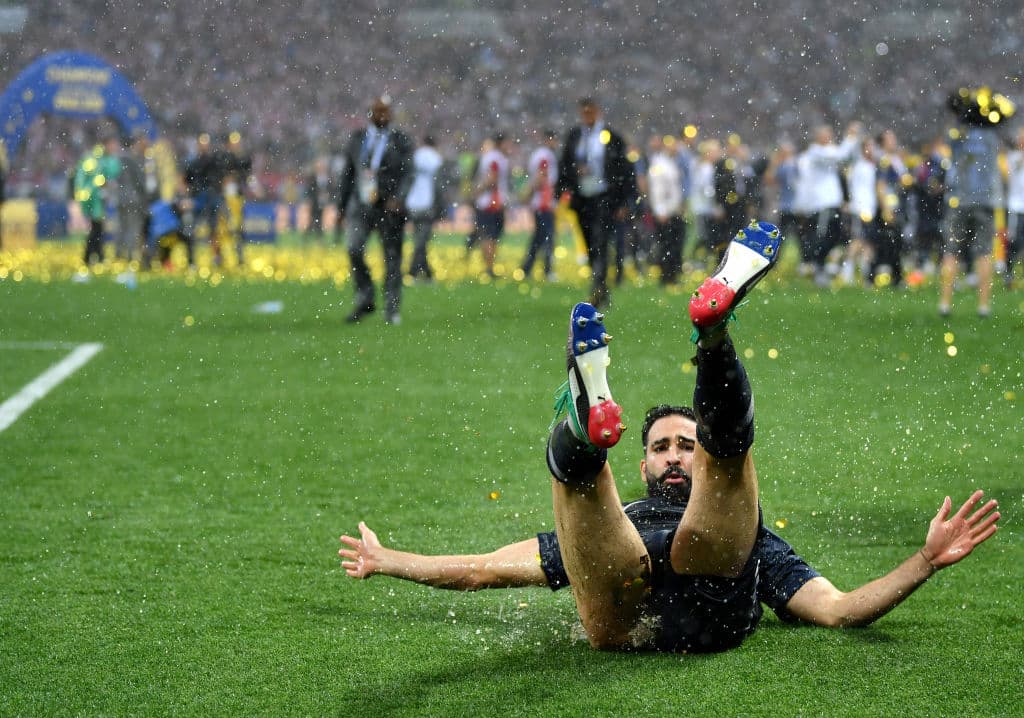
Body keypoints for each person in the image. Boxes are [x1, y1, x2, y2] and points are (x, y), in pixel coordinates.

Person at [340, 221, 1000, 653]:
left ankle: (703, 342)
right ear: (646, 466)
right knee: (598, 500)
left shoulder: (754, 540)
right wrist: (386, 558)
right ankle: (602, 419)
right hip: (630, 592)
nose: (676, 455)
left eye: (686, 444)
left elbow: (838, 608)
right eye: (661, 447)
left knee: (718, 483)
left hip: (694, 584)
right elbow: (483, 569)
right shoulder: (624, 518)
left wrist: (924, 561)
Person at [337, 94, 414, 325]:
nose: (382, 115)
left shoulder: (400, 140)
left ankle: (392, 308)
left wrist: (398, 198)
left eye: (386, 111)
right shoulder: (357, 139)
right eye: (378, 111)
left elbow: (409, 173)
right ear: (370, 113)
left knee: (392, 258)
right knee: (354, 249)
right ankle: (365, 297)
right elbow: (348, 174)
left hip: (389, 207)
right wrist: (341, 207)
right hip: (361, 205)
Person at [556, 97, 636, 308]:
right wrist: (569, 179)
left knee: (600, 241)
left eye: (590, 112)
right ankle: (600, 284)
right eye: (584, 113)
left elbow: (625, 169)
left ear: (598, 112)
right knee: (589, 242)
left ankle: (598, 287)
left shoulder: (611, 137)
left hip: (604, 197)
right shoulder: (575, 136)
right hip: (582, 197)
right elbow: (564, 164)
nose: (587, 116)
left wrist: (624, 201)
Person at [74, 134, 122, 266]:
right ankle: (92, 257)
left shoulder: (104, 158)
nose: (115, 147)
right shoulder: (94, 159)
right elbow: (88, 179)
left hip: (98, 200)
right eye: (112, 144)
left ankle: (95, 256)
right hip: (94, 201)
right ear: (105, 144)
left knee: (97, 230)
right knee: (96, 229)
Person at [520, 129, 560, 282]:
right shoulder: (546, 155)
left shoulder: (539, 154)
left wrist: (529, 193)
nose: (555, 143)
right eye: (554, 140)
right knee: (548, 237)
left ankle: (526, 268)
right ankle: (547, 270)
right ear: (548, 139)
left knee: (539, 237)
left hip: (541, 202)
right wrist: (531, 193)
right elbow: (541, 176)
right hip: (544, 203)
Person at [405, 135, 445, 281]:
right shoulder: (436, 158)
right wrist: (440, 207)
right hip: (427, 204)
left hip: (412, 203)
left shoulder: (415, 156)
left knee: (419, 239)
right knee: (422, 241)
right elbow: (439, 185)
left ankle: (427, 273)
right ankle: (412, 272)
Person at [472, 132, 511, 278]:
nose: (510, 146)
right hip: (491, 203)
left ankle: (488, 267)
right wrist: (478, 191)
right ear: (501, 143)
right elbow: (492, 178)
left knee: (488, 236)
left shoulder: (489, 157)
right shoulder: (496, 158)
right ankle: (489, 268)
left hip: (489, 202)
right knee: (491, 236)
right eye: (507, 143)